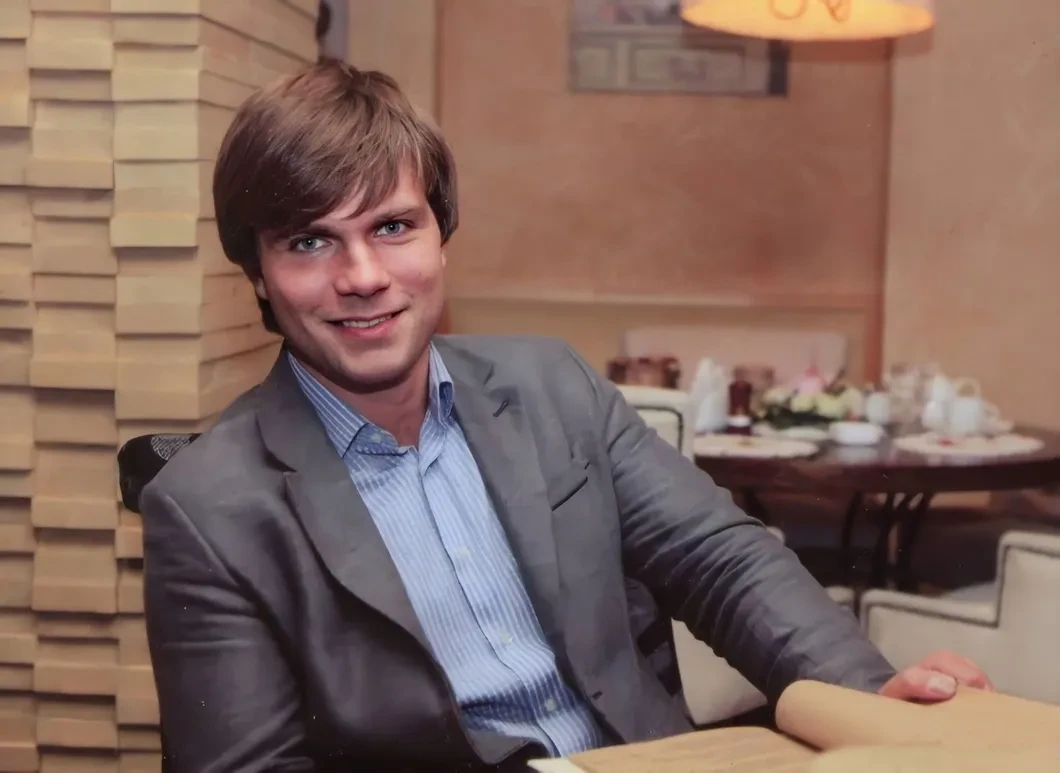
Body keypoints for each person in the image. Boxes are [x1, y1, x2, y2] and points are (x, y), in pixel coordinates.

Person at [140, 59, 990, 773]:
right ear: (257, 273)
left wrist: (865, 695)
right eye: (310, 241)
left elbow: (720, 560)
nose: (362, 275)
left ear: (442, 234)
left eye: (393, 226)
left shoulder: (552, 385)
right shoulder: (209, 507)